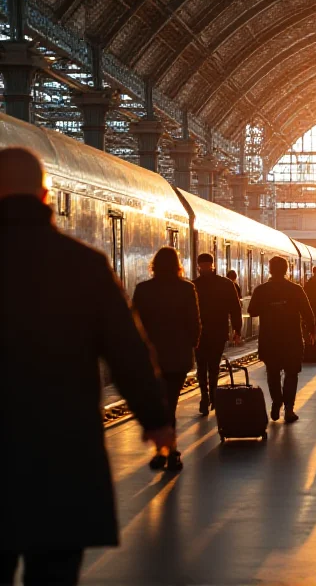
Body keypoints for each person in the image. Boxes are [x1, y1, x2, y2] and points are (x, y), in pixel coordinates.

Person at [0, 147, 173, 585]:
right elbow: (128, 352)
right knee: (55, 571)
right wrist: (156, 422)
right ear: (45, 195)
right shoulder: (84, 265)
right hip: (62, 453)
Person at [133, 247, 201, 472]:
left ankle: (163, 452)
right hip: (178, 356)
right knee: (170, 404)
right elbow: (194, 322)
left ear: (154, 265)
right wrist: (192, 343)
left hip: (150, 357)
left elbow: (134, 324)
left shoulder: (142, 290)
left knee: (159, 404)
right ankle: (170, 453)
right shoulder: (186, 288)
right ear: (177, 265)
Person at [248, 256, 315, 423]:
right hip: (292, 339)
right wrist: (312, 331)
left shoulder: (261, 290)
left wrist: (268, 306)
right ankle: (289, 409)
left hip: (269, 339)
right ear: (287, 270)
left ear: (269, 270)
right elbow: (307, 312)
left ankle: (276, 402)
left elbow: (252, 311)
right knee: (292, 374)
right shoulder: (295, 289)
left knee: (273, 373)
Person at [194, 253, 243, 416]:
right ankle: (213, 396)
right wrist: (237, 330)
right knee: (214, 366)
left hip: (199, 332)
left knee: (201, 365)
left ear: (198, 266)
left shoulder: (194, 286)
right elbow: (235, 308)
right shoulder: (226, 284)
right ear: (213, 264)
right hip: (218, 331)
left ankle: (204, 397)